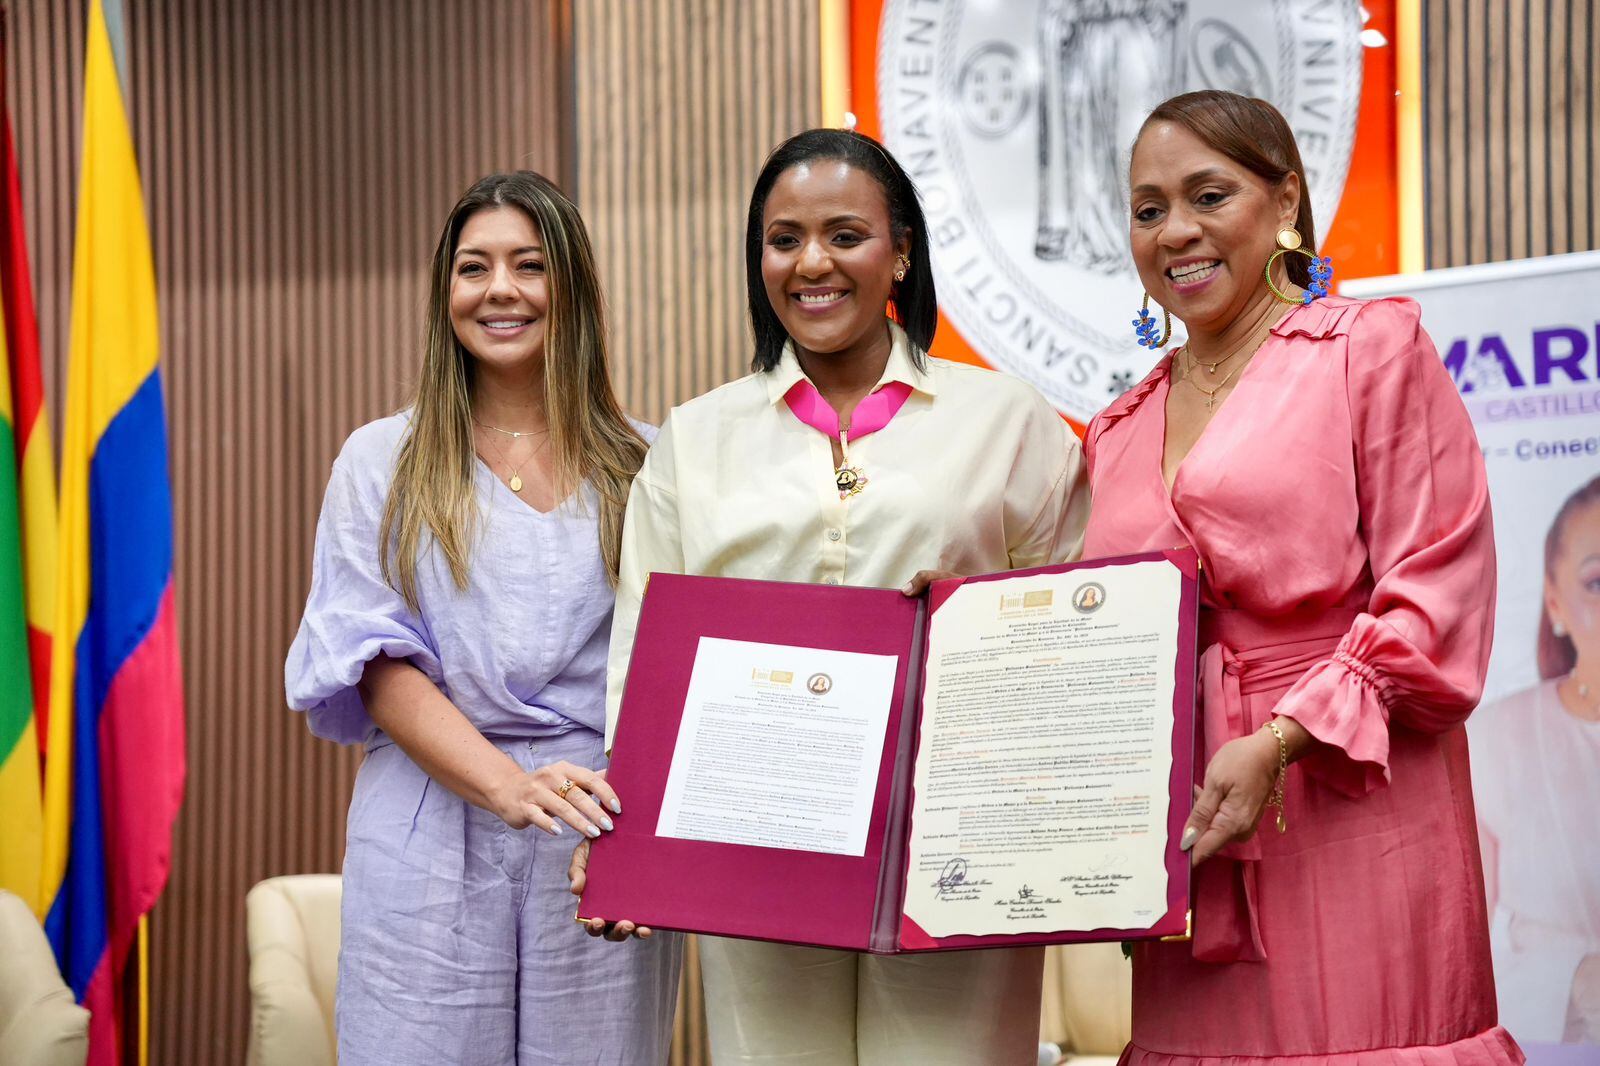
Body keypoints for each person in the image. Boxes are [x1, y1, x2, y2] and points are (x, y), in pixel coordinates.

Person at [569, 129, 1091, 1065]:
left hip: (956, 837)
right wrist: (629, 846)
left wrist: (985, 613)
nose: (812, 262)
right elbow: (644, 657)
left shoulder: (1006, 419)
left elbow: (1074, 623)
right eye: (783, 240)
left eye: (845, 235)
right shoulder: (696, 438)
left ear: (901, 251)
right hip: (752, 839)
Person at [1081, 91, 1521, 1063]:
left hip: (1357, 802)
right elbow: (1098, 651)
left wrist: (1281, 737)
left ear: (1284, 200)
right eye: (1148, 209)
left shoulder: (1371, 351)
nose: (1176, 232)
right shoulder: (1113, 431)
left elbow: (1435, 598)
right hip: (1195, 837)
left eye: (1208, 194)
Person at [284, 171, 681, 1065]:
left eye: (529, 265)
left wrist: (641, 842)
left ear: (571, 288)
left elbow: (680, 664)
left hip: (601, 826)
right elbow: (371, 656)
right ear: (445, 294)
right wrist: (504, 784)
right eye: (474, 268)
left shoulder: (652, 462)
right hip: (429, 820)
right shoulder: (380, 459)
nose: (500, 289)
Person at [1471, 475, 1600, 1043]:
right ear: (1555, 601)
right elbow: (1462, 960)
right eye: (1598, 582)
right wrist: (1569, 982)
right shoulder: (1497, 739)